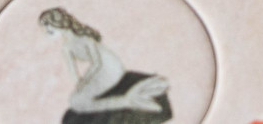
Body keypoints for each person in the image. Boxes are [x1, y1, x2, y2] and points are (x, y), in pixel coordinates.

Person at [39, 7, 172, 124]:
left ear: (57, 23)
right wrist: (78, 85)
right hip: (97, 71)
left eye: (47, 25)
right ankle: (126, 100)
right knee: (75, 101)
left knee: (80, 102)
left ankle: (128, 101)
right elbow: (72, 70)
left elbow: (97, 63)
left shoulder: (85, 39)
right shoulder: (66, 48)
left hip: (110, 68)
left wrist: (85, 81)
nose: (46, 29)